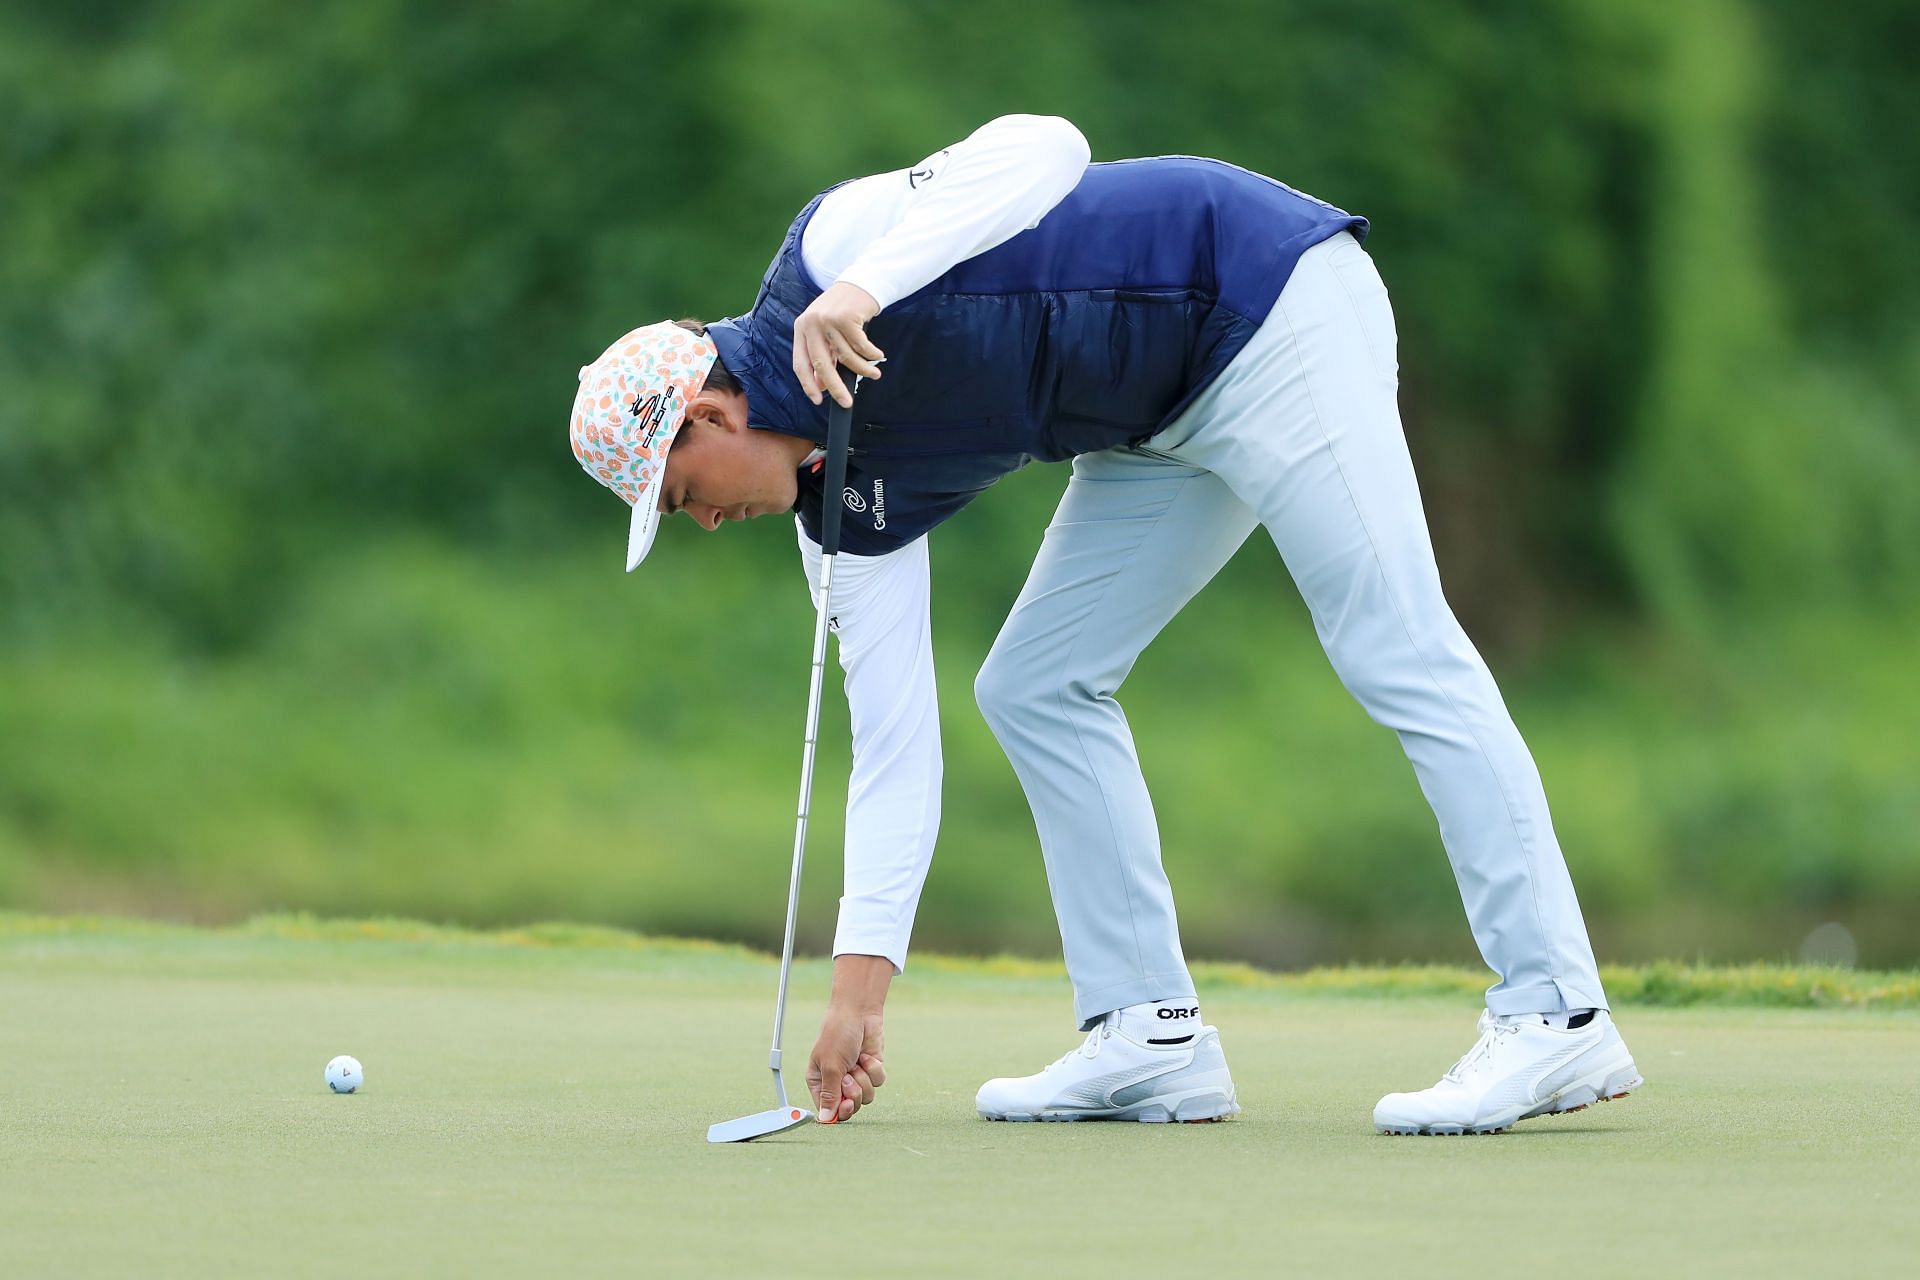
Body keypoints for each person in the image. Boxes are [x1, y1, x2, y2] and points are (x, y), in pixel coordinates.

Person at [567, 115, 1642, 1135]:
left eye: (679, 493)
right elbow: (893, 749)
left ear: (708, 415)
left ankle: (1558, 1012)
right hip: (1157, 414)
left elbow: (1047, 148)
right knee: (1034, 681)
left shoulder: (832, 252)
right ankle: (1149, 1030)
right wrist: (860, 993)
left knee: (1393, 640)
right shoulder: (836, 513)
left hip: (1266, 300)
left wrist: (864, 284)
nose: (704, 520)